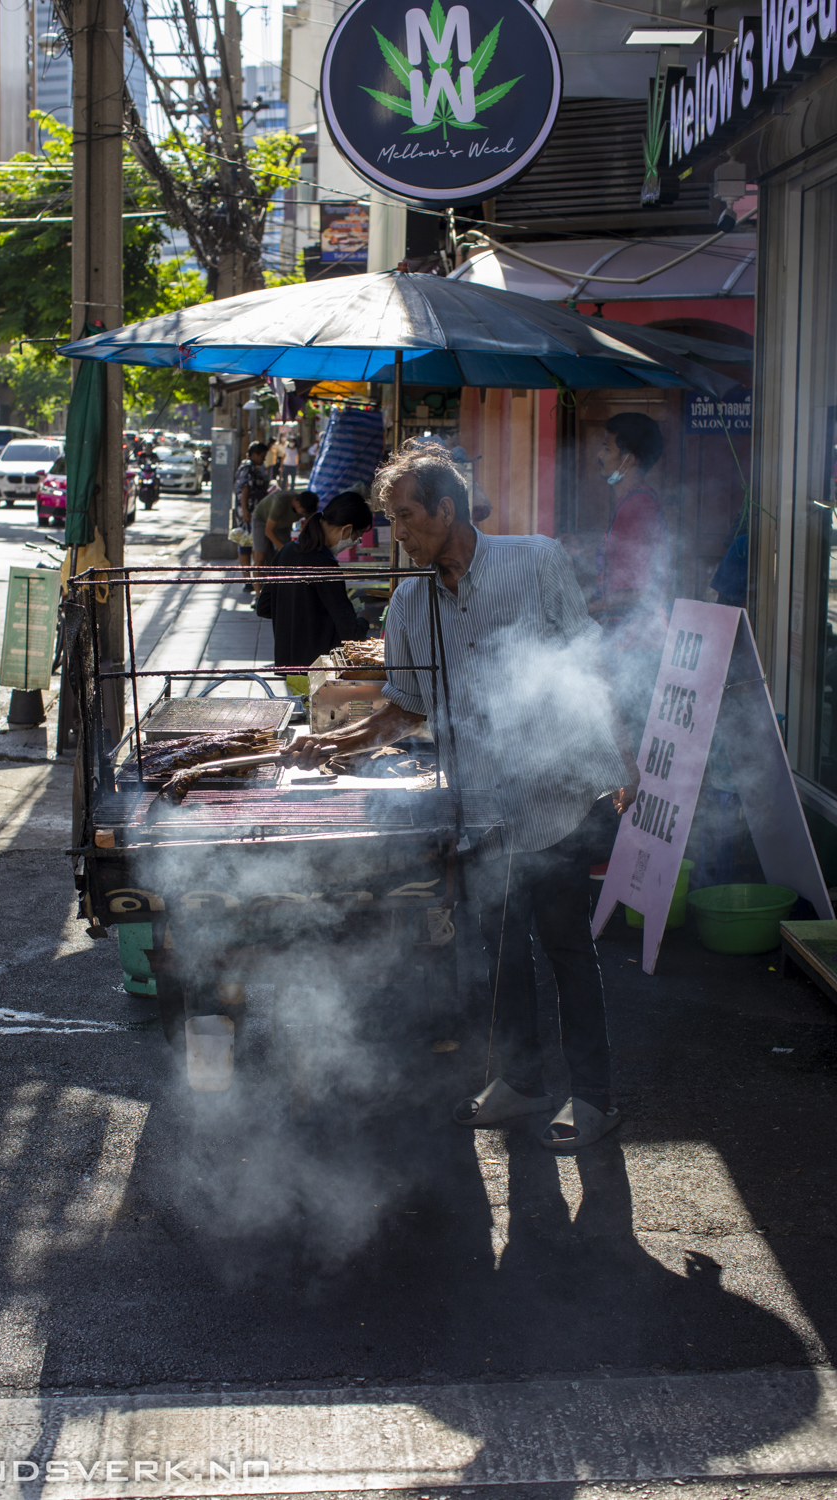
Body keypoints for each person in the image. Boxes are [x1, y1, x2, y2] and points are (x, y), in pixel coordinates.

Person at [294, 445, 640, 1153]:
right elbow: (405, 707)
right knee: (501, 952)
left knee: (567, 950)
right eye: (391, 520)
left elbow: (587, 656)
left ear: (446, 509)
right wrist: (337, 745)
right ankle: (521, 1081)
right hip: (479, 804)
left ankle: (595, 1096)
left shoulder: (535, 559)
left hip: (558, 794)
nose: (398, 534)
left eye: (407, 517)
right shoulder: (410, 601)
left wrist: (623, 754)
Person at [591, 412, 670, 754]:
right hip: (630, 646)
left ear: (629, 458)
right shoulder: (632, 501)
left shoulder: (637, 506)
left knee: (631, 752)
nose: (598, 454)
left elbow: (641, 593)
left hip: (637, 648)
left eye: (606, 447)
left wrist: (585, 609)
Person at [256, 490, 372, 690]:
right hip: (320, 673)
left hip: (290, 669)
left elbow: (264, 607)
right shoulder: (325, 566)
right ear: (346, 529)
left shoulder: (287, 551)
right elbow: (351, 632)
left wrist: (299, 610)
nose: (355, 542)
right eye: (357, 536)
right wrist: (364, 618)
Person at [250, 489, 316, 597]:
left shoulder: (305, 507)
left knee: (286, 559)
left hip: (283, 526)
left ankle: (283, 592)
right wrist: (282, 547)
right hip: (262, 521)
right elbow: (268, 531)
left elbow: (310, 525)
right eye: (304, 513)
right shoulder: (280, 503)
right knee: (260, 558)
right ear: (297, 503)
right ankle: (258, 596)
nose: (304, 515)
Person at [233, 442, 271, 591]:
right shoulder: (247, 468)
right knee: (246, 545)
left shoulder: (254, 468)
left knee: (249, 544)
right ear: (254, 454)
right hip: (249, 514)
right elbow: (245, 489)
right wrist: (245, 511)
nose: (263, 459)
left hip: (253, 512)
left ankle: (252, 580)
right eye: (262, 456)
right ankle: (249, 581)